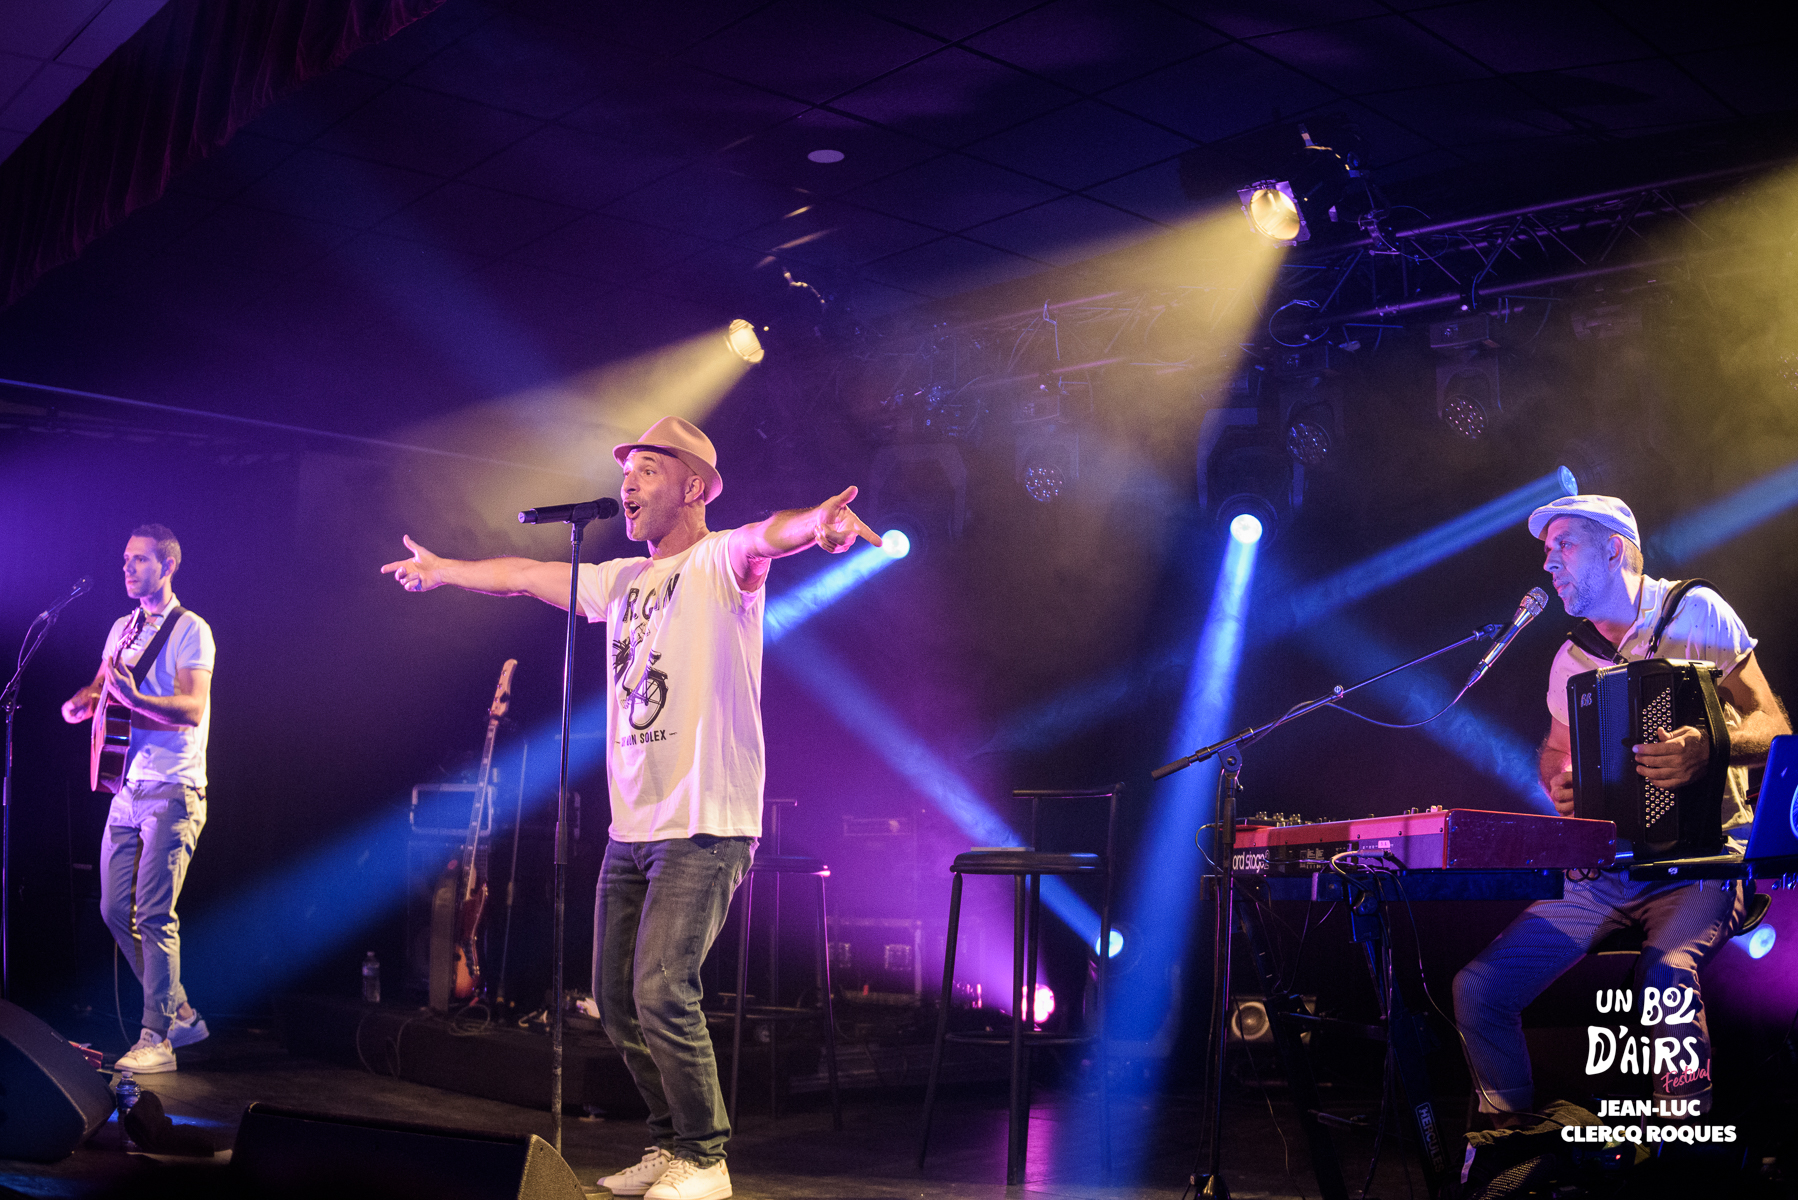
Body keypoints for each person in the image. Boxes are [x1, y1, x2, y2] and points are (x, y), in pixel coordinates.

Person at [382, 416, 878, 1200]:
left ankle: (705, 1158)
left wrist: (818, 523)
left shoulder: (719, 561)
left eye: (647, 469)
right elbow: (522, 573)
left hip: (703, 824)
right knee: (615, 1003)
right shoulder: (617, 581)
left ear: (692, 486)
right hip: (633, 830)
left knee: (662, 989)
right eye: (626, 471)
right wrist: (443, 570)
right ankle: (670, 1142)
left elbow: (768, 536)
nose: (628, 483)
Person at [1453, 495, 1790, 1120]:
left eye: (1564, 545)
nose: (1549, 563)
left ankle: (1683, 1142)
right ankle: (1510, 1144)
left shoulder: (1695, 610)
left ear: (1613, 549)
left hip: (1706, 861)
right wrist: (1559, 784)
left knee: (1665, 975)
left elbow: (1774, 726)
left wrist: (1709, 747)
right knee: (1481, 988)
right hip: (1611, 872)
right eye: (1547, 550)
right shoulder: (1573, 657)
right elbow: (1555, 752)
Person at [60, 524, 215, 1074]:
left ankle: (158, 1038)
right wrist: (84, 701)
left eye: (140, 560)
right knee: (111, 910)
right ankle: (180, 1012)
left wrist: (133, 698)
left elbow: (191, 708)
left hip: (173, 789)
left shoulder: (191, 629)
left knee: (152, 913)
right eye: (125, 559)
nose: (127, 568)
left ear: (167, 566)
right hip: (125, 787)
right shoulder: (121, 629)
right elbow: (103, 686)